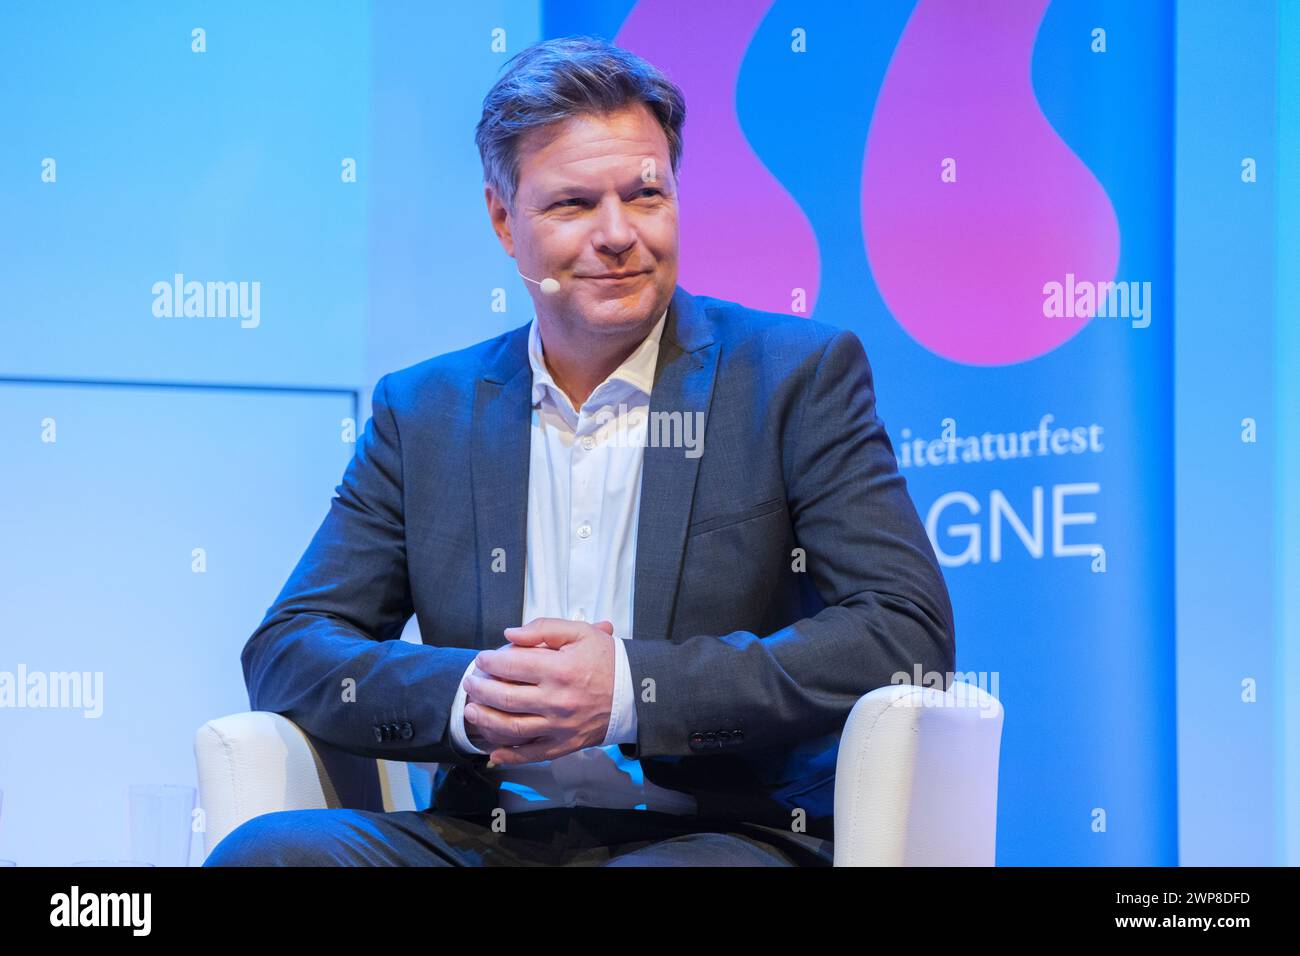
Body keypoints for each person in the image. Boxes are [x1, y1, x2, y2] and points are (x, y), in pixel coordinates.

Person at [204, 35, 954, 867]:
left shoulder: (792, 379)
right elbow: (291, 647)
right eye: (571, 205)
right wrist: (469, 697)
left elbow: (903, 632)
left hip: (720, 833)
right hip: (482, 838)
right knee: (272, 855)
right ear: (503, 220)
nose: (617, 235)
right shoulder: (424, 413)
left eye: (645, 195)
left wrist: (631, 690)